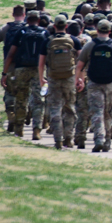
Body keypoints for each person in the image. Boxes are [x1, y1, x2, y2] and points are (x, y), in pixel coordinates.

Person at [75, 19, 112, 153]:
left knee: (97, 112)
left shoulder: (90, 45)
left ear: (97, 30)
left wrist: (77, 80)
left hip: (94, 83)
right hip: (111, 84)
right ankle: (107, 141)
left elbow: (79, 65)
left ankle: (99, 139)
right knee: (108, 113)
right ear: (109, 31)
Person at [38, 15, 82, 150]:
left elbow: (41, 63)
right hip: (69, 78)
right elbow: (81, 61)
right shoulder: (74, 40)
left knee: (55, 108)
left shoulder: (47, 41)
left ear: (55, 26)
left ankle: (57, 139)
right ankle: (68, 138)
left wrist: (41, 78)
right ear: (66, 27)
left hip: (53, 77)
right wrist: (79, 77)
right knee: (69, 108)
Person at [2, 11, 48, 139]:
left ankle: (19, 128)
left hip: (21, 69)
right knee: (38, 100)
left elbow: (11, 54)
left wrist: (5, 73)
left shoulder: (21, 32)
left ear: (27, 20)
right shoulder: (44, 33)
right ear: (38, 20)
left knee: (21, 99)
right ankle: (36, 130)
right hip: (38, 69)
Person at [0, 5, 25, 131]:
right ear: (24, 14)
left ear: (13, 14)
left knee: (9, 91)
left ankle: (10, 115)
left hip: (9, 65)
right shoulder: (27, 29)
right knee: (22, 94)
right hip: (24, 66)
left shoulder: (6, 28)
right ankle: (19, 122)